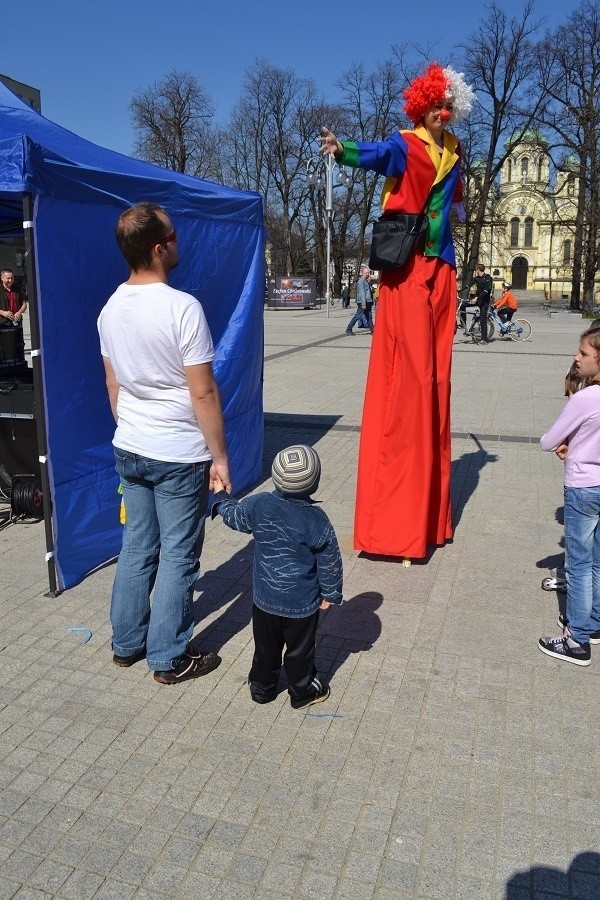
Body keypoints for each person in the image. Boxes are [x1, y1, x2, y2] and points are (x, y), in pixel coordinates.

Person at [320, 62, 474, 560]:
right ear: (420, 106)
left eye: (447, 106)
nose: (441, 113)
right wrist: (341, 150)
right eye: (434, 105)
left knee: (435, 384)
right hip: (405, 271)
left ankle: (428, 517)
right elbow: (376, 154)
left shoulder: (457, 151)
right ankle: (395, 522)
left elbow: (455, 206)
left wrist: (457, 212)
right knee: (408, 382)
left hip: (441, 269)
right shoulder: (404, 144)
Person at [97, 202, 230, 684]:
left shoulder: (110, 307)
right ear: (159, 248)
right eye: (174, 235)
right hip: (177, 452)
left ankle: (127, 644)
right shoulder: (182, 308)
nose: (179, 241)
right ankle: (168, 657)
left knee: (137, 546)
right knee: (178, 554)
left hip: (130, 443)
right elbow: (203, 392)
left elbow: (112, 384)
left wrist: (131, 428)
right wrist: (220, 457)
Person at [211, 445, 343, 709]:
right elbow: (330, 561)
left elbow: (234, 516)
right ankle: (302, 691)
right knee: (300, 650)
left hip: (265, 600)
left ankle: (262, 688)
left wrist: (219, 496)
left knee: (266, 648)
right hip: (301, 605)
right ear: (314, 483)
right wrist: (330, 592)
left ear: (275, 475)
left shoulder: (259, 504)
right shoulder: (317, 519)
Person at [538, 327, 600, 666]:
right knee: (599, 561)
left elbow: (549, 440)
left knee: (578, 564)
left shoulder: (587, 398)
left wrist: (567, 444)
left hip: (583, 486)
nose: (577, 358)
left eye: (584, 354)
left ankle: (576, 640)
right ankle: (593, 624)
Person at [345, 265, 374, 335]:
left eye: (368, 273)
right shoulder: (361, 282)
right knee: (358, 316)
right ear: (362, 273)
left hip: (367, 301)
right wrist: (363, 303)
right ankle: (349, 329)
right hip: (363, 302)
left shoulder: (366, 281)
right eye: (366, 273)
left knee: (369, 316)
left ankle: (373, 330)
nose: (368, 274)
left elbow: (369, 291)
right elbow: (362, 293)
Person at [471, 263, 493, 344]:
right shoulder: (476, 278)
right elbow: (468, 285)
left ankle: (484, 339)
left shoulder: (488, 278)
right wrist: (458, 291)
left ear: (478, 269)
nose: (475, 271)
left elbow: (486, 291)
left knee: (482, 319)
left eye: (476, 269)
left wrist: (477, 297)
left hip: (484, 302)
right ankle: (462, 325)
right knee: (463, 305)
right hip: (477, 300)